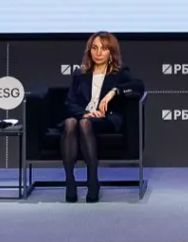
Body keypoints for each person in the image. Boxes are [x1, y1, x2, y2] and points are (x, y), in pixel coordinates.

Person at [61, 31, 144, 203]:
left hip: (105, 119)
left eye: (104, 49)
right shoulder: (80, 74)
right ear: (89, 51)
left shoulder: (120, 73)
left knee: (84, 124)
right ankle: (70, 180)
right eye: (95, 48)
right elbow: (70, 103)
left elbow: (139, 86)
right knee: (70, 122)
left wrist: (114, 91)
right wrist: (85, 113)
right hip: (83, 116)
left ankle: (92, 180)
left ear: (111, 52)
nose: (98, 53)